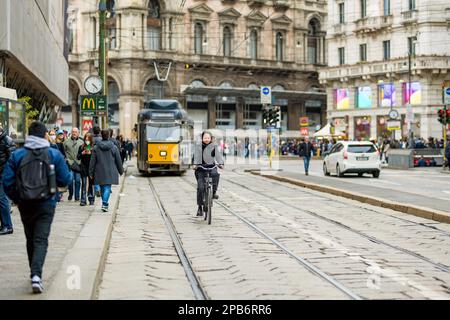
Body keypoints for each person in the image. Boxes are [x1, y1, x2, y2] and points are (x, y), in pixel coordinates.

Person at [2, 121, 71, 293]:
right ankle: (36, 275)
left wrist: (18, 199)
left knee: (30, 238)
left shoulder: (18, 155)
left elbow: (7, 181)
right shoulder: (53, 154)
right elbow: (65, 179)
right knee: (41, 239)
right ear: (44, 135)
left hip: (25, 203)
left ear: (29, 135)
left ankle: (33, 272)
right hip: (46, 203)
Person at [89, 130, 123, 212]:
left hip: (99, 171)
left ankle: (104, 203)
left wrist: (90, 172)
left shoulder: (96, 147)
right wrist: (121, 171)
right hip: (110, 171)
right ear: (108, 136)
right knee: (107, 188)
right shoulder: (114, 147)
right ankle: (105, 204)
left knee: (102, 188)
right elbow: (118, 160)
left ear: (101, 135)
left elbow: (92, 161)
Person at [192, 131, 224, 217]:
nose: (206, 139)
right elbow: (195, 157)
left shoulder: (213, 146)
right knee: (200, 187)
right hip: (200, 169)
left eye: (208, 138)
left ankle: (213, 193)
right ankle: (200, 207)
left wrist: (221, 163)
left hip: (211, 167)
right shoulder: (198, 147)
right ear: (202, 138)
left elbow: (218, 156)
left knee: (216, 175)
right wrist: (195, 164)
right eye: (205, 138)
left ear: (211, 139)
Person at [0, 127, 16, 235]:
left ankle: (8, 226)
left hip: (3, 174)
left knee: (2, 199)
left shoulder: (7, 140)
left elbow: (12, 160)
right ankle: (4, 225)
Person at [78, 133, 95, 206]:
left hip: (91, 168)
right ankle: (83, 200)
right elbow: (78, 157)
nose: (87, 140)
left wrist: (91, 153)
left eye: (88, 139)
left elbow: (95, 159)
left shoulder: (94, 148)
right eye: (86, 139)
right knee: (84, 184)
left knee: (91, 184)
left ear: (91, 140)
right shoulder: (81, 147)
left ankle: (91, 198)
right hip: (84, 168)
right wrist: (82, 153)